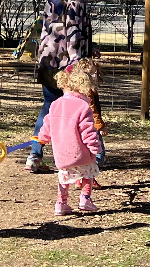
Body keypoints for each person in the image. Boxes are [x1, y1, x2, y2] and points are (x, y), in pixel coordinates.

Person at [27, 0, 99, 172]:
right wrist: (78, 64)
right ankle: (86, 155)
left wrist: (91, 44)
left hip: (48, 61)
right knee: (82, 107)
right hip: (69, 64)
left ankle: (34, 155)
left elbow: (49, 28)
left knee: (49, 107)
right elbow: (74, 32)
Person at [38, 65, 105, 214]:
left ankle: (61, 204)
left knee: (64, 178)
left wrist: (42, 138)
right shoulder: (83, 106)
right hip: (81, 154)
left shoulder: (55, 104)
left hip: (61, 154)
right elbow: (88, 131)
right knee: (88, 174)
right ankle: (85, 199)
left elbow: (47, 124)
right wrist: (96, 148)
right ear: (84, 88)